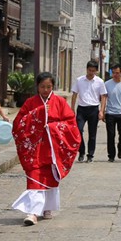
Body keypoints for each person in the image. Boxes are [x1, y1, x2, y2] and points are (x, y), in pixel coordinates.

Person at [12, 72, 81, 225]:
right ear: (37, 86)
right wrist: (37, 115)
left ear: (53, 87)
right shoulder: (30, 103)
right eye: (42, 87)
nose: (45, 90)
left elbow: (71, 124)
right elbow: (18, 124)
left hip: (52, 149)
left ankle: (47, 208)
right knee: (34, 178)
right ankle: (33, 212)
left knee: (49, 178)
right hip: (35, 149)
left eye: (48, 87)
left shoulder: (60, 102)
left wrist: (52, 127)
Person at [71, 60, 107, 163]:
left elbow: (103, 96)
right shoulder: (79, 80)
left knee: (92, 134)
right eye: (89, 70)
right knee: (78, 130)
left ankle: (90, 154)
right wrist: (72, 108)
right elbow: (74, 94)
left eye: (93, 71)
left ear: (96, 71)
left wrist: (101, 110)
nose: (91, 72)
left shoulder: (99, 82)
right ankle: (81, 151)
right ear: (86, 69)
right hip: (82, 109)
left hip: (93, 109)